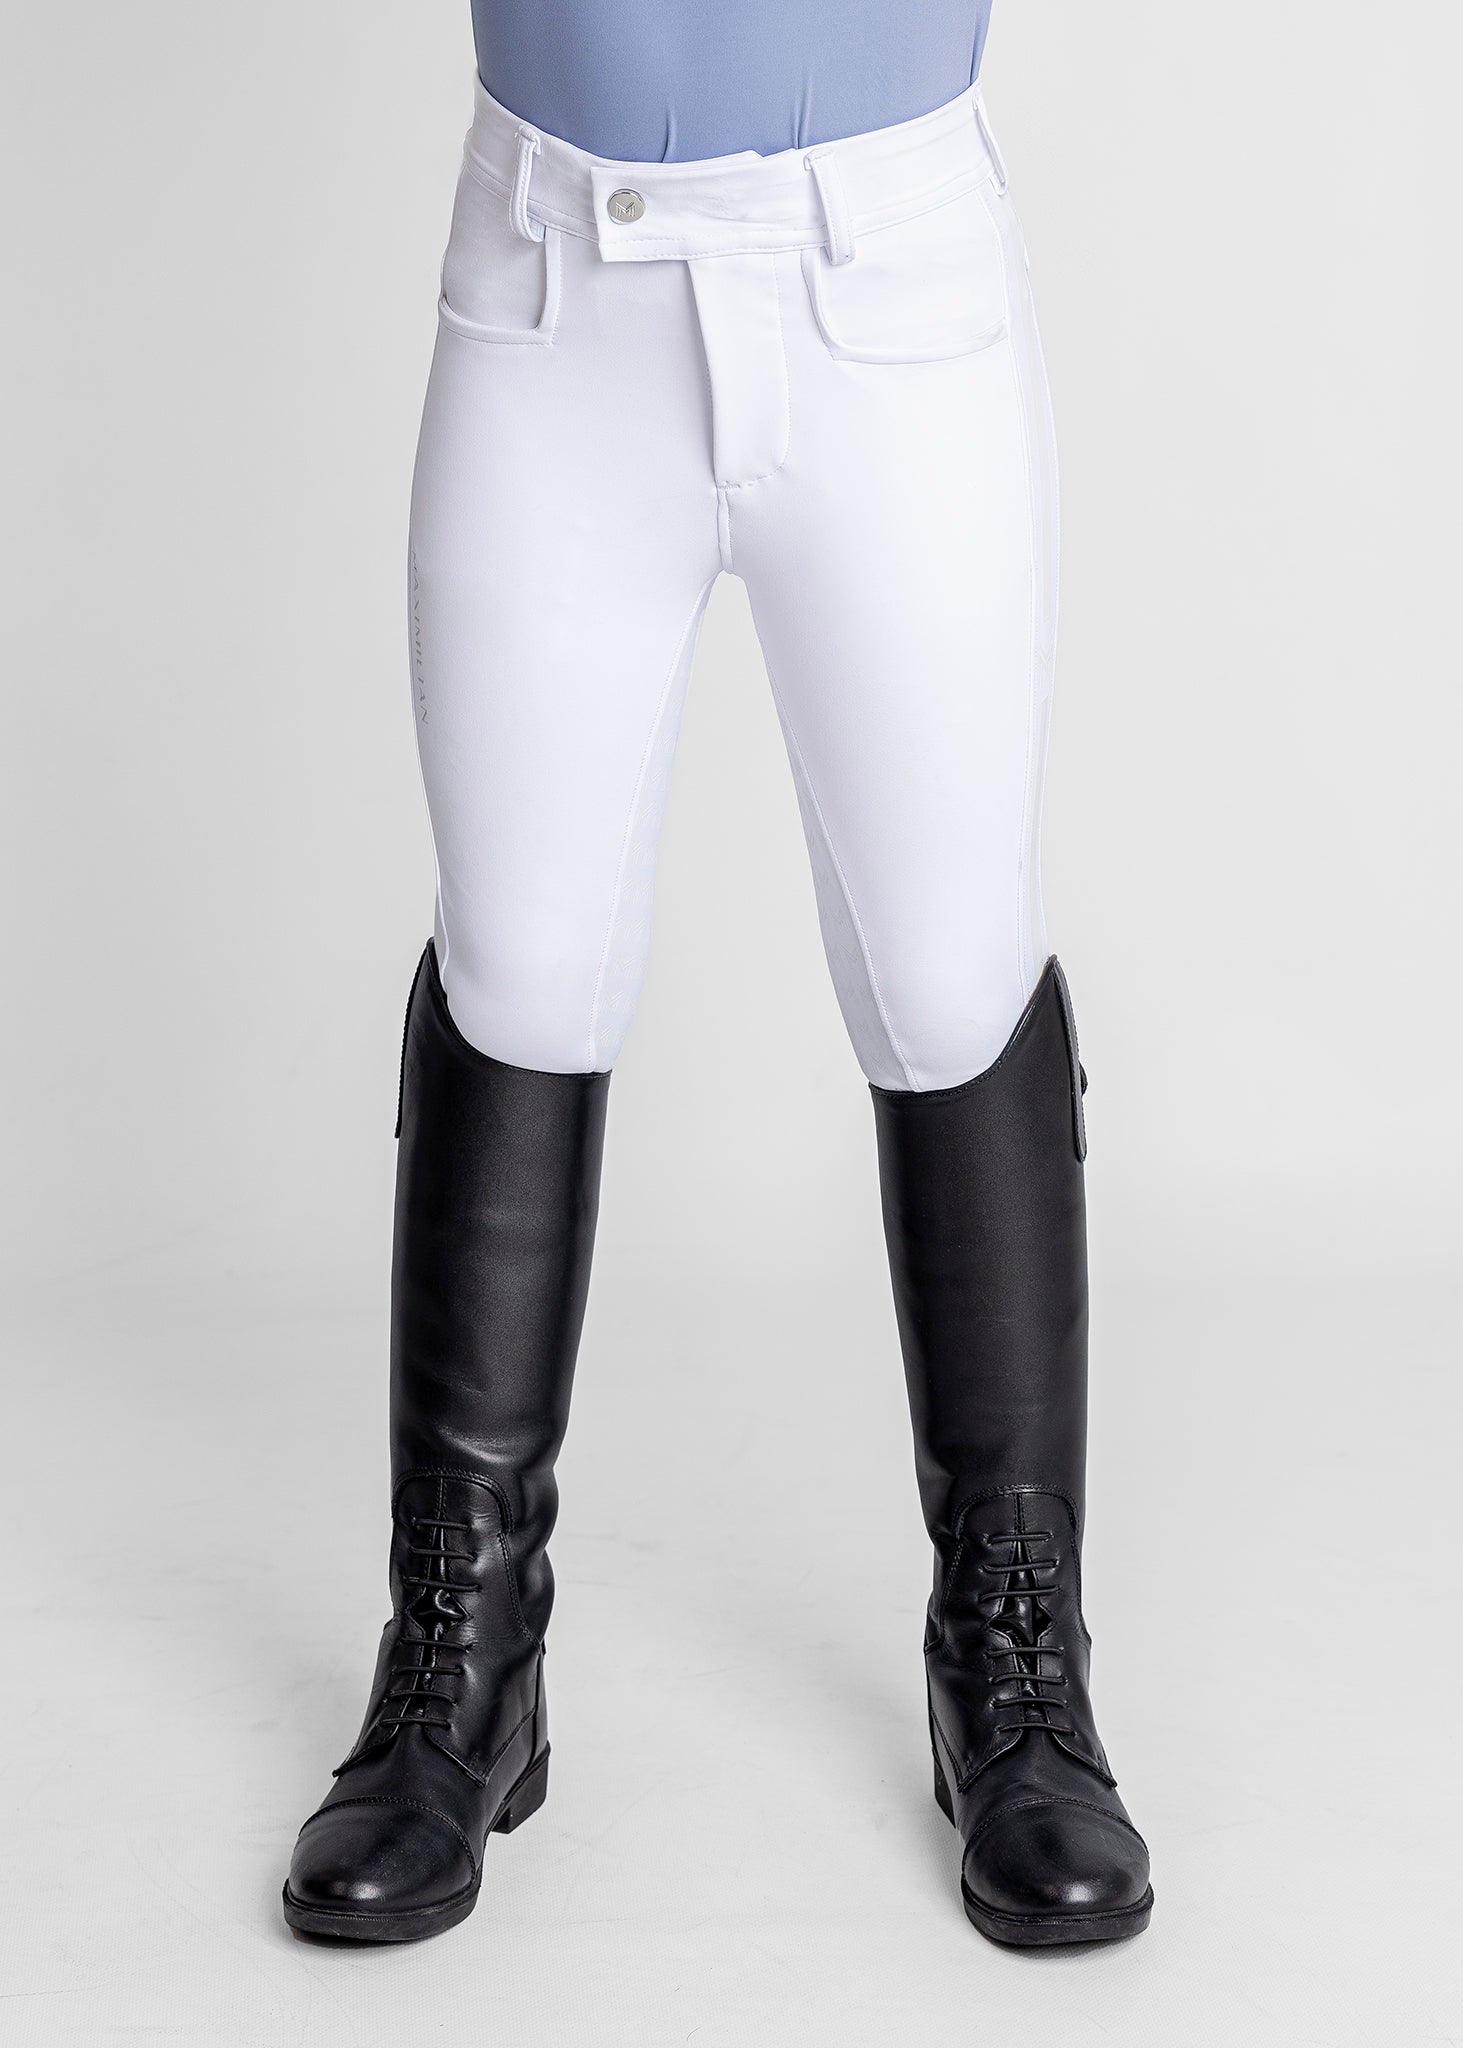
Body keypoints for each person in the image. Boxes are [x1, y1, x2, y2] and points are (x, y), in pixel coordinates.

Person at [282, 1, 1152, 1949]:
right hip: (552, 282)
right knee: (519, 960)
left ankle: (1015, 1657)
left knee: (948, 971)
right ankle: (465, 1656)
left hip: (886, 280)